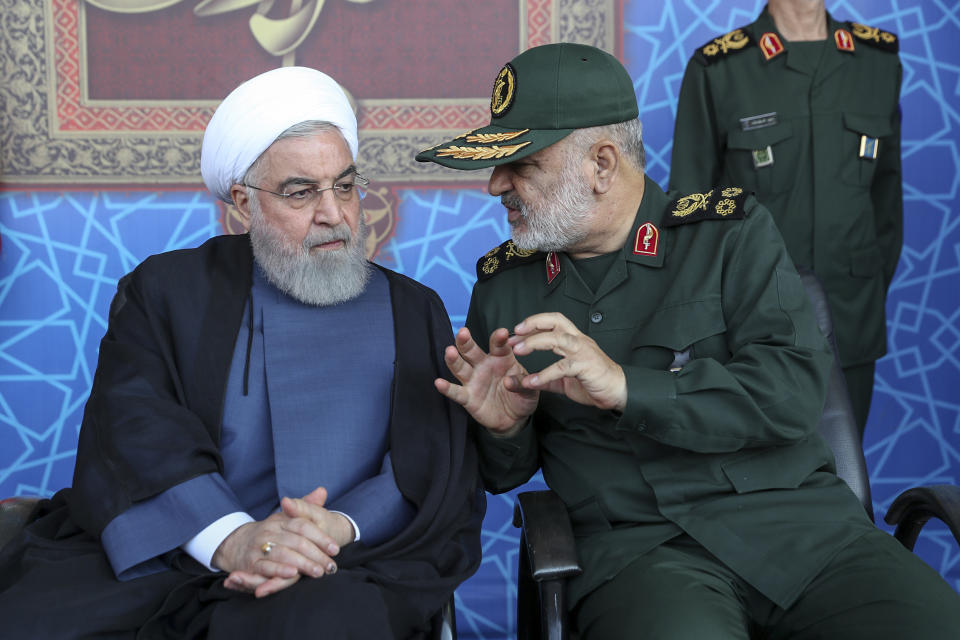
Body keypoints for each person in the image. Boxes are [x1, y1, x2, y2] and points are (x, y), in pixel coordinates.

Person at [416, 42, 959, 639]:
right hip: (642, 558)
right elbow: (506, 473)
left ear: (601, 164)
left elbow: (793, 392)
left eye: (523, 165)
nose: (496, 185)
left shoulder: (730, 237)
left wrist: (628, 388)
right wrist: (505, 428)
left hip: (802, 533)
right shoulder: (504, 288)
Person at [0, 66, 484, 639]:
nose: (333, 213)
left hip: (334, 566)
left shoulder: (413, 308)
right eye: (301, 192)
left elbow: (425, 458)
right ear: (241, 203)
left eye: (346, 186)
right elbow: (134, 425)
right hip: (176, 549)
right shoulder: (169, 290)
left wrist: (335, 529)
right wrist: (231, 538)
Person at [669, 0, 903, 439]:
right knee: (769, 484)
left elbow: (886, 206)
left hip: (852, 317)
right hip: (754, 326)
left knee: (846, 482)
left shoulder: (878, 63)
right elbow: (691, 208)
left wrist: (865, 287)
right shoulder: (720, 68)